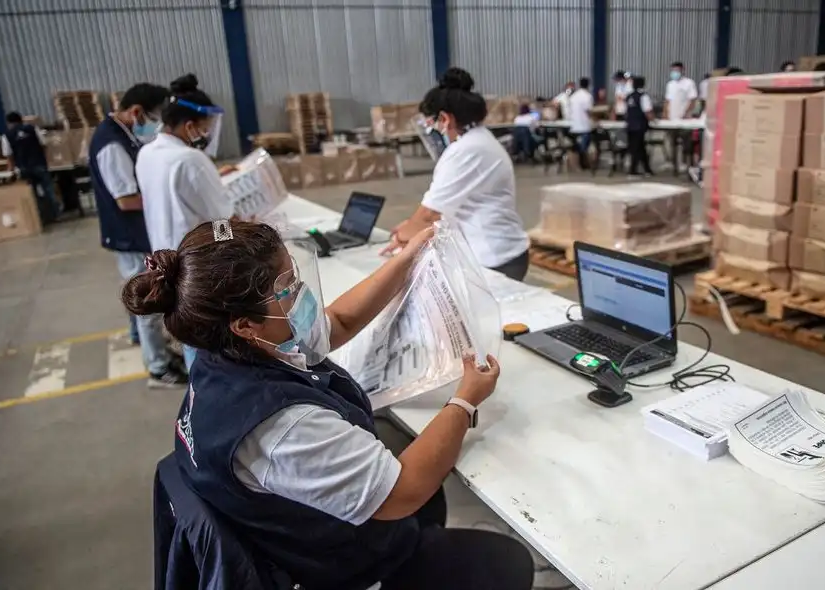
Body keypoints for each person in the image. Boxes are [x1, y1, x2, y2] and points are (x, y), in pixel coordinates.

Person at [122, 219, 535, 590]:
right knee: (505, 561)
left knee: (432, 499)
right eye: (286, 289)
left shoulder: (229, 349)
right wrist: (464, 401)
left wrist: (408, 260)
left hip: (304, 528)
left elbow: (337, 324)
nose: (299, 294)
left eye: (295, 276)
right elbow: (402, 493)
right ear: (244, 324)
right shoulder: (280, 426)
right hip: (338, 565)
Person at [383, 68, 531, 282]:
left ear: (444, 118)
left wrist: (402, 236)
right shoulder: (478, 141)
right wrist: (411, 226)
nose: (431, 130)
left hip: (493, 257)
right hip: (496, 251)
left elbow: (429, 215)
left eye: (431, 124)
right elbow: (444, 206)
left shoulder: (466, 150)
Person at [87, 83, 187, 387]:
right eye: (155, 116)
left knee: (138, 290)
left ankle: (146, 343)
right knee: (148, 299)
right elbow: (126, 199)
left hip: (131, 233)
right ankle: (158, 367)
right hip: (128, 234)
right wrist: (164, 194)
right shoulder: (111, 144)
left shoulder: (122, 136)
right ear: (136, 112)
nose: (156, 124)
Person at [135, 74, 234, 371]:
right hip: (200, 265)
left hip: (165, 260)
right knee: (208, 342)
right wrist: (239, 245)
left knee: (189, 332)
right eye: (204, 129)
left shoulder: (146, 153)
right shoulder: (191, 160)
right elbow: (222, 222)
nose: (206, 134)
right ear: (189, 126)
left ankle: (198, 390)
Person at [2, 112, 61, 223]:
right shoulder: (33, 129)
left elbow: (9, 155)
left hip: (23, 168)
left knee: (32, 194)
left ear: (9, 123)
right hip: (39, 164)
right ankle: (56, 215)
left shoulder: (7, 135)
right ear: (21, 120)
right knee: (49, 190)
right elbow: (43, 144)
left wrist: (11, 170)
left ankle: (39, 218)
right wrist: (44, 159)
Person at [663, 61, 699, 169]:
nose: (675, 73)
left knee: (686, 143)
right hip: (672, 119)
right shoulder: (670, 84)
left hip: (684, 119)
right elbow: (667, 101)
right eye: (673, 70)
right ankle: (674, 164)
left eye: (677, 70)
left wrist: (686, 113)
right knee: (672, 142)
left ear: (683, 70)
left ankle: (686, 163)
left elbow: (692, 100)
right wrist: (665, 114)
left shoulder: (689, 83)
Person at [624, 76, 655, 179]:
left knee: (640, 148)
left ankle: (647, 170)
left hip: (630, 125)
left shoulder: (629, 96)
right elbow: (647, 111)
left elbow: (626, 111)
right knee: (637, 149)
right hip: (639, 126)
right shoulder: (643, 96)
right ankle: (632, 171)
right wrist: (653, 120)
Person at [567, 76, 595, 169]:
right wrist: (595, 120)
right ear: (589, 85)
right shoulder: (587, 96)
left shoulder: (574, 96)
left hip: (574, 126)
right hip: (584, 127)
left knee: (576, 147)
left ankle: (576, 165)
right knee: (584, 147)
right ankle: (585, 164)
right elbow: (588, 111)